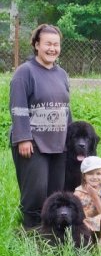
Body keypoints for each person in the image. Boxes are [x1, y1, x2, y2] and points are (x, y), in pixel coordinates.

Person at [10, 24, 72, 229]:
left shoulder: (62, 74)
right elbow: (18, 107)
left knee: (56, 193)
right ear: (37, 45)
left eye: (56, 44)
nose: (52, 48)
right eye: (48, 44)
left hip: (58, 143)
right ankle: (31, 232)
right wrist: (23, 138)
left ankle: (52, 234)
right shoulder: (24, 72)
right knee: (35, 192)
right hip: (33, 144)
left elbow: (65, 109)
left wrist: (69, 139)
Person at [73, 156, 101, 244]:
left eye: (98, 173)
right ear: (84, 176)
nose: (94, 177)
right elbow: (78, 215)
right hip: (84, 222)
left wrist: (94, 196)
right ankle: (88, 242)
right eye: (90, 173)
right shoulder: (78, 192)